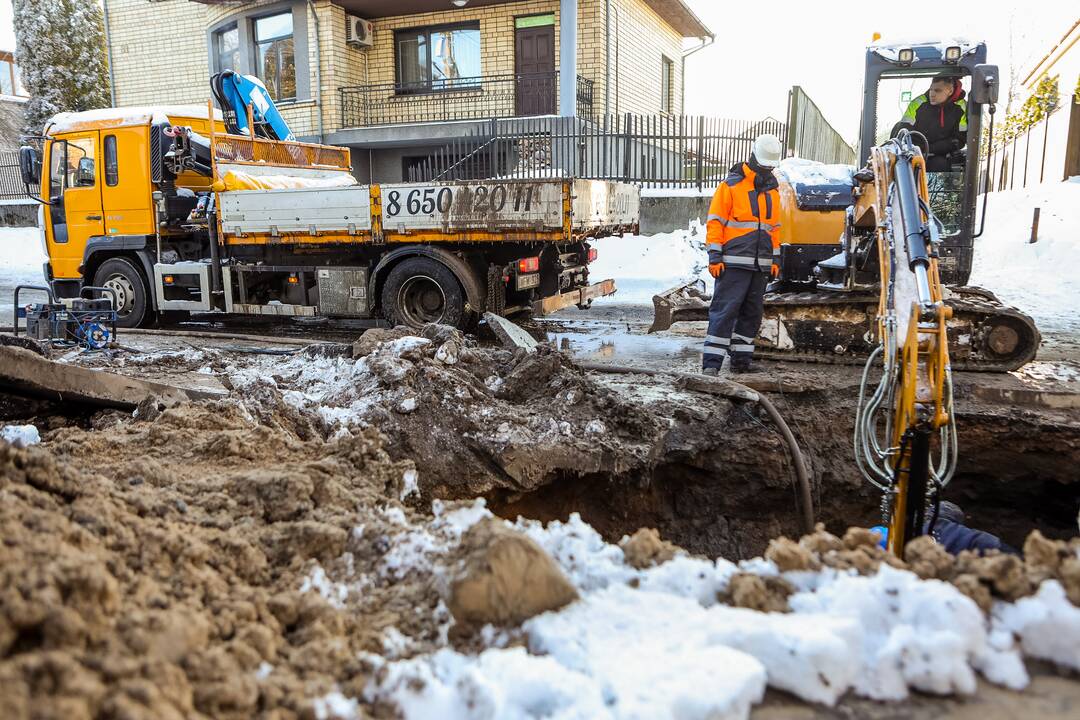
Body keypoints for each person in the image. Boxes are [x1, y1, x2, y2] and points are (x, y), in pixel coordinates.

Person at [702, 133, 782, 375]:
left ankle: (741, 361)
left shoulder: (773, 192)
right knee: (724, 313)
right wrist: (714, 256)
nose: (768, 169)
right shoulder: (731, 186)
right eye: (765, 165)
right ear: (754, 158)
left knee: (751, 315)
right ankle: (711, 366)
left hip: (760, 267)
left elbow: (774, 229)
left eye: (771, 166)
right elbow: (715, 222)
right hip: (733, 264)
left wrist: (775, 259)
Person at [894, 75, 968, 171]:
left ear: (950, 91)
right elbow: (904, 132)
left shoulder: (961, 108)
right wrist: (919, 149)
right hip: (916, 153)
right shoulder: (918, 103)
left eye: (937, 91)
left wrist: (932, 149)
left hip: (941, 155)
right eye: (931, 90)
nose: (932, 94)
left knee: (940, 165)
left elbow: (959, 139)